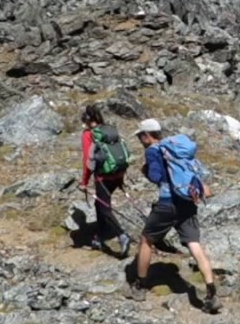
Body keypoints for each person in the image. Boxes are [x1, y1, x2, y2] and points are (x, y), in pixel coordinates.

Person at [125, 118, 221, 313]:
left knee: (146, 241)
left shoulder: (153, 151)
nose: (139, 139)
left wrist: (145, 170)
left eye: (140, 136)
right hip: (187, 201)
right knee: (194, 245)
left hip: (168, 203)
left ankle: (140, 286)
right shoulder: (175, 147)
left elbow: (156, 177)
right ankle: (211, 292)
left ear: (146, 135)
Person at [80, 104, 132, 258]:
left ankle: (121, 235)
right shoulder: (109, 129)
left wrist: (84, 182)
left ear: (86, 120)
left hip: (103, 176)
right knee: (100, 204)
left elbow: (88, 161)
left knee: (104, 208)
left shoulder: (89, 134)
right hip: (118, 173)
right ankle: (99, 238)